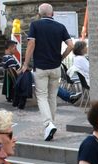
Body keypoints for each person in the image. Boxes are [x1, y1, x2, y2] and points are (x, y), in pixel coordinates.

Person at [20, 3, 74, 141]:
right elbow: (71, 45)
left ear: (39, 14)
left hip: (41, 67)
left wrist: (25, 64)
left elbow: (31, 44)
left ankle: (48, 124)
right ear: (53, 13)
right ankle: (50, 125)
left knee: (42, 96)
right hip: (56, 67)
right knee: (52, 96)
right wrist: (61, 57)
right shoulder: (60, 27)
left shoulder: (35, 25)